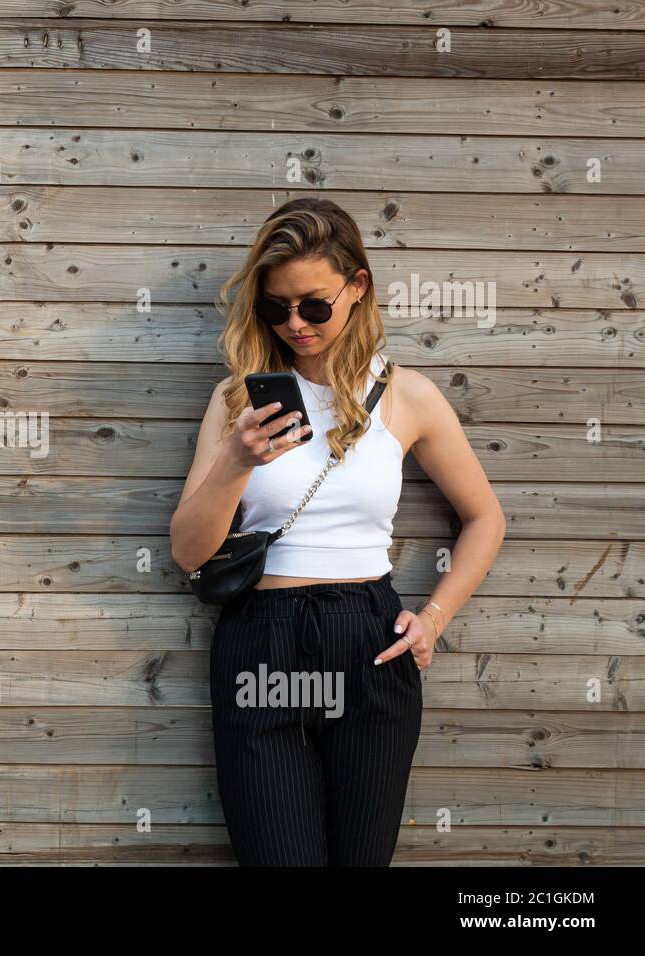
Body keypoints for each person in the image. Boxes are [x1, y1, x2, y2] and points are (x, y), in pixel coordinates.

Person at [171, 197, 505, 866]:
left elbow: (485, 517)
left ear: (358, 287)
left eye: (314, 305)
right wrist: (238, 458)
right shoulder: (236, 400)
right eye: (276, 307)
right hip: (261, 638)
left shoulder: (406, 396)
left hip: (367, 641)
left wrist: (434, 617)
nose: (295, 324)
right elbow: (187, 551)